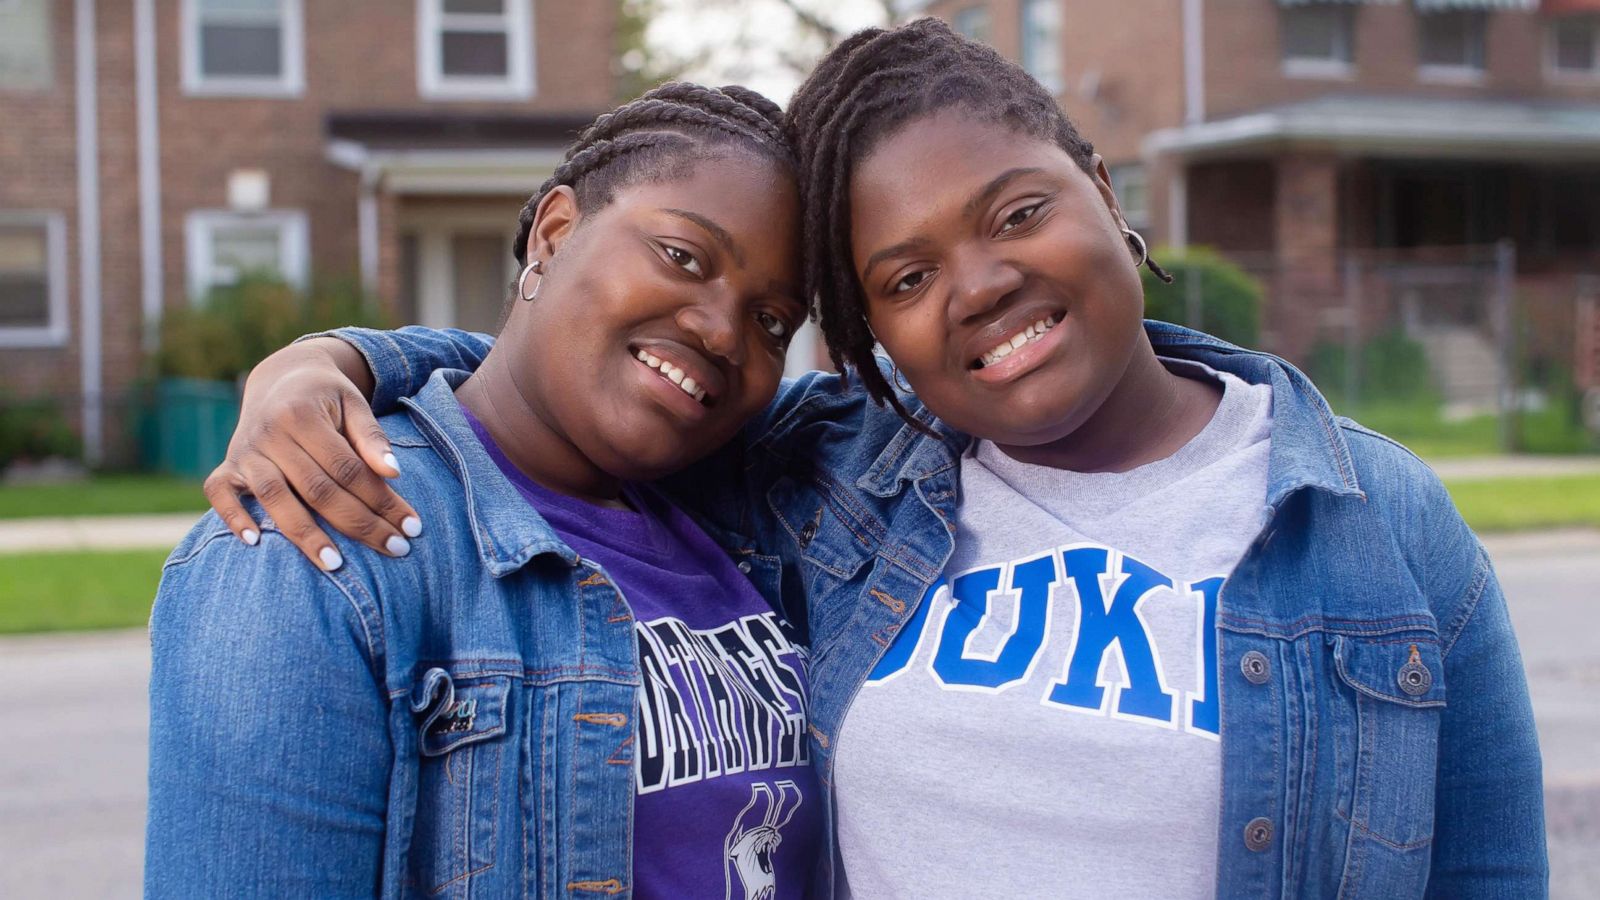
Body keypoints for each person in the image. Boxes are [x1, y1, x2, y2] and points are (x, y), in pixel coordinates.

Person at [205, 19, 1547, 899]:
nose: (979, 285)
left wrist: (336, 360)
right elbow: (570, 377)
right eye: (906, 276)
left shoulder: (1381, 523)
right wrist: (332, 364)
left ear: (1104, 192)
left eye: (1017, 211)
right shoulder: (843, 473)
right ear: (877, 342)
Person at [145, 82, 824, 898]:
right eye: (683, 256)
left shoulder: (758, 507)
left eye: (773, 321)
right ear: (556, 231)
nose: (723, 331)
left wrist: (336, 356)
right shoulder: (320, 540)